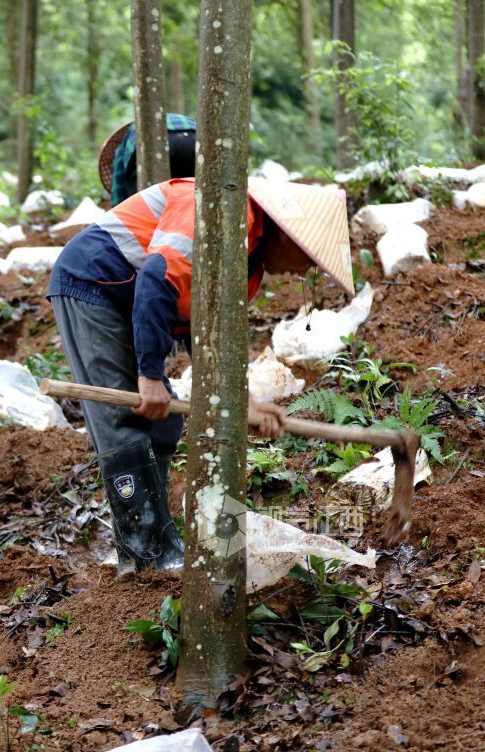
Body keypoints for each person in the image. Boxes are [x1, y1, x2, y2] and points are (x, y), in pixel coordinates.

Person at [47, 177, 354, 575]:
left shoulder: (250, 262)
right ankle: (148, 554)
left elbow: (208, 328)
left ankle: (155, 544)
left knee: (163, 422)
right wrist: (150, 376)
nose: (306, 269)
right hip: (95, 284)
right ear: (290, 235)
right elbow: (157, 277)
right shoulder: (222, 214)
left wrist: (241, 400)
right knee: (125, 422)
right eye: (309, 257)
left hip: (129, 296)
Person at [97, 115, 198, 206]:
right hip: (195, 138)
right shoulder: (173, 117)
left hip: (157, 143)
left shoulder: (123, 145)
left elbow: (119, 195)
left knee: (146, 204)